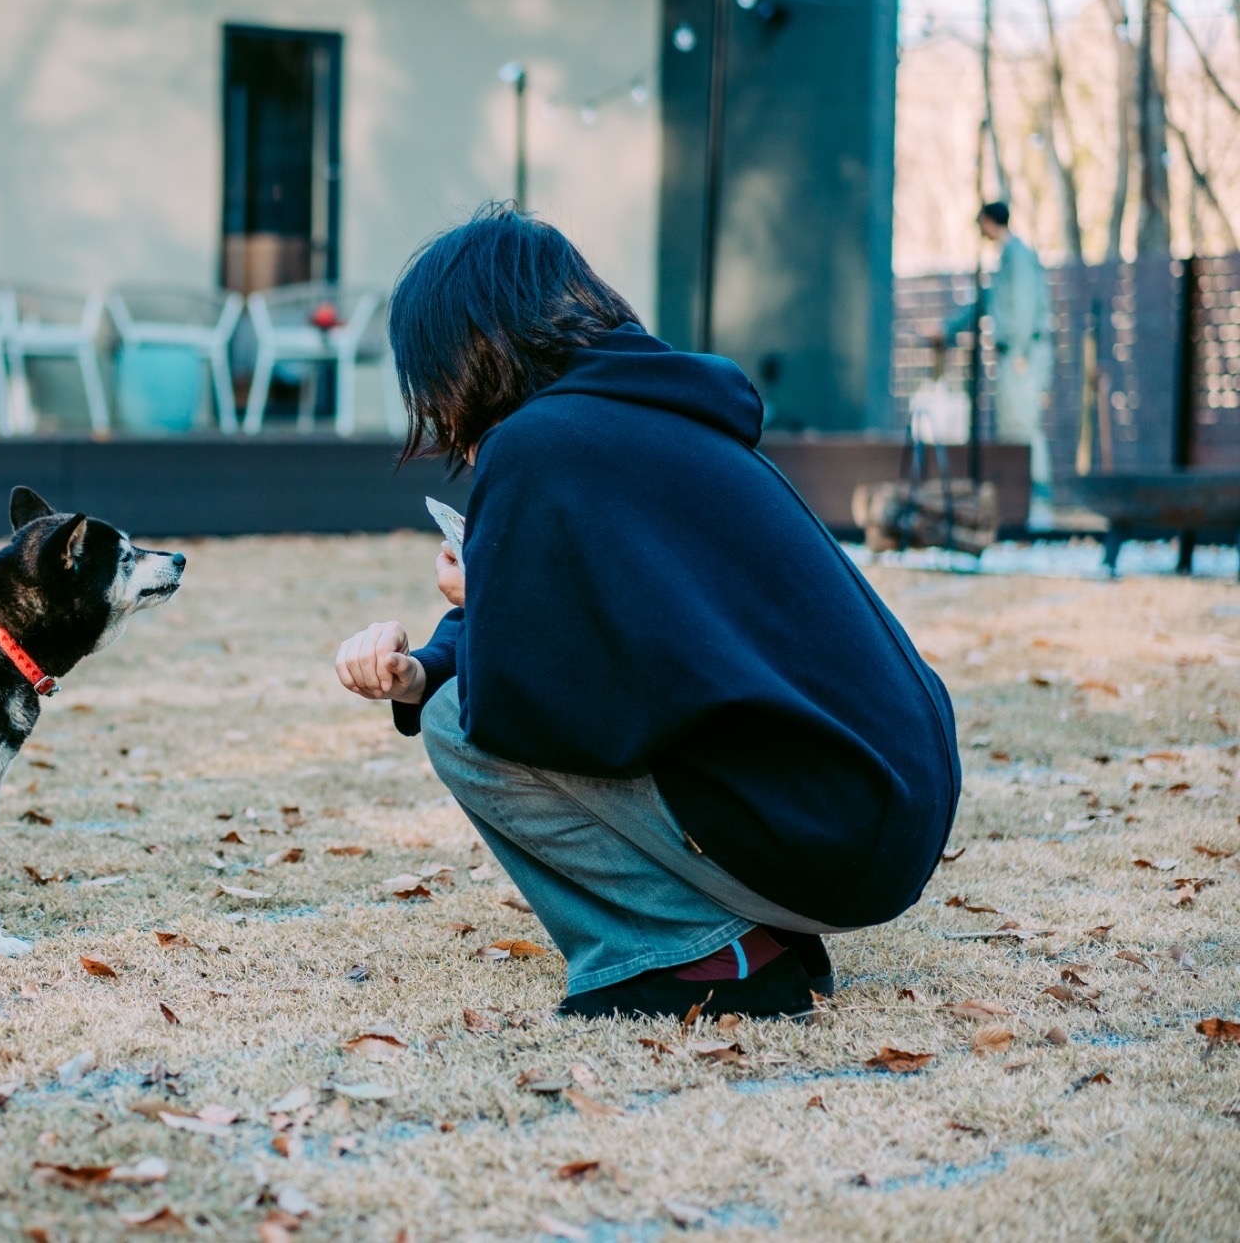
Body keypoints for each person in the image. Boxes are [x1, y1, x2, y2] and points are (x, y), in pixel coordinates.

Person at [334, 205, 960, 1020]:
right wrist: (425, 661)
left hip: (823, 829)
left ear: (461, 349)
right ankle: (745, 933)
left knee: (457, 722)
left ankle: (707, 957)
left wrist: (472, 622)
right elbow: (627, 637)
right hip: (875, 811)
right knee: (451, 695)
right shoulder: (655, 414)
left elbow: (536, 706)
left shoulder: (539, 445)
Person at [947, 200, 1053, 527]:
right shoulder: (1009, 257)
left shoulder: (1017, 256)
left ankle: (1037, 497)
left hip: (1022, 352)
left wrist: (1019, 350)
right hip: (1014, 351)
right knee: (1013, 425)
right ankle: (1026, 498)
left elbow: (1023, 304)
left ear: (990, 221)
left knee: (1022, 425)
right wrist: (949, 327)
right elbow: (987, 301)